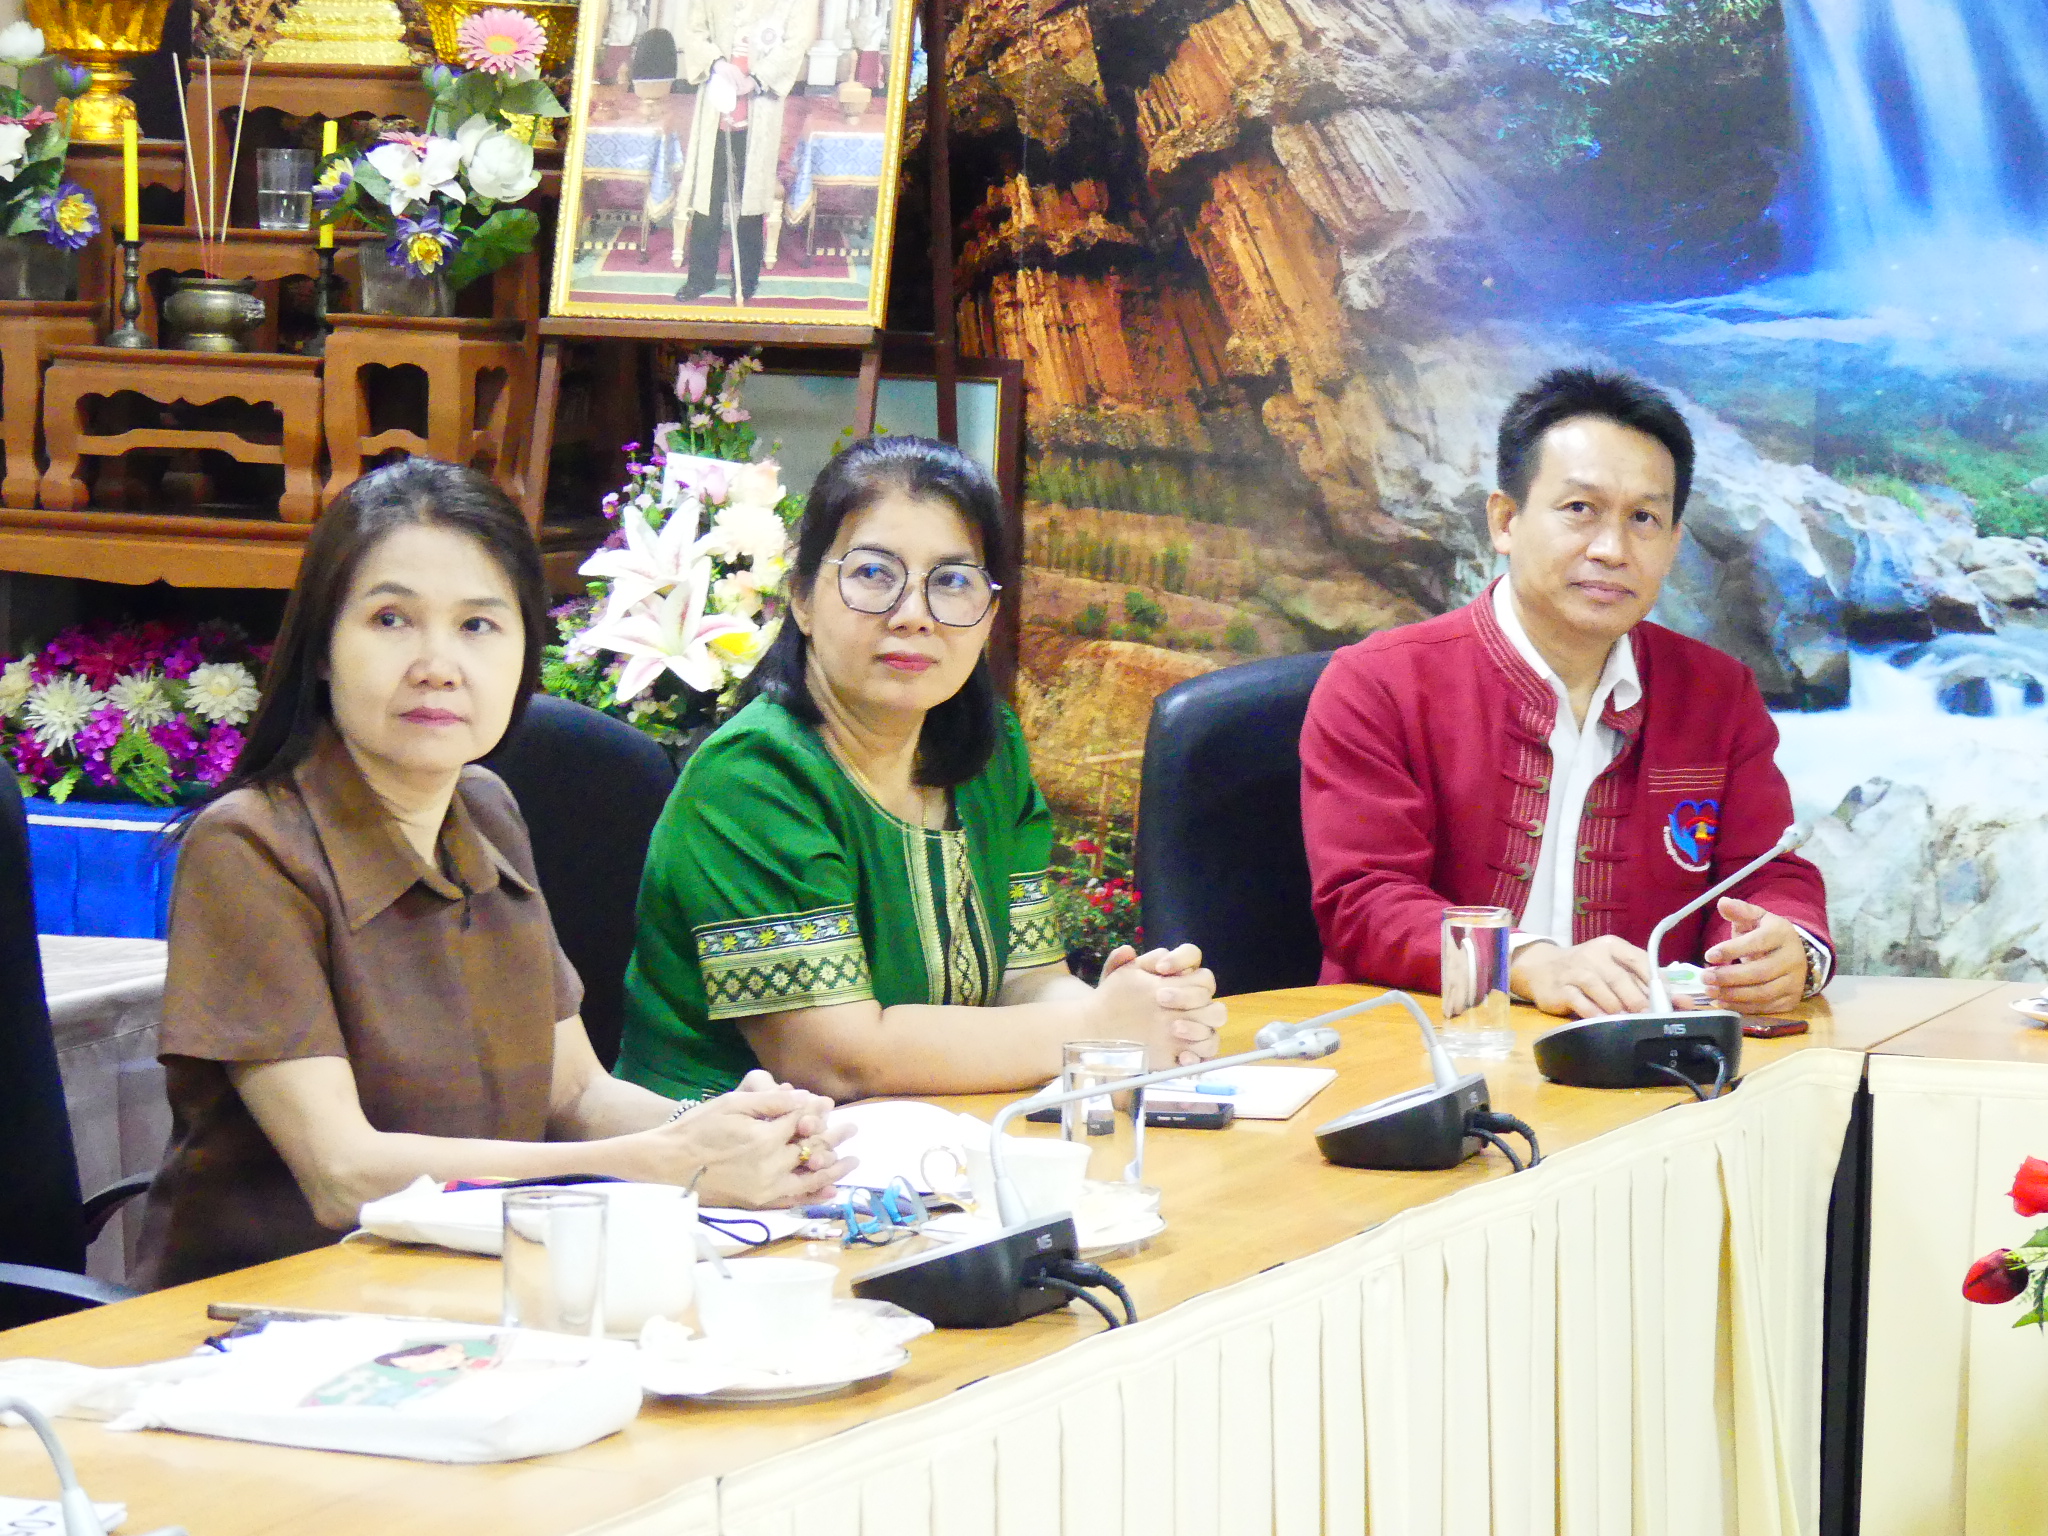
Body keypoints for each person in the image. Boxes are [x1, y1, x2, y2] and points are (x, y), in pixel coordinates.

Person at [134, 459, 853, 1290]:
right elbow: (342, 1174)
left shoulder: (484, 807)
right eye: (391, 619)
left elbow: (576, 1096)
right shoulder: (249, 846)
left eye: (478, 625)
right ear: (322, 649)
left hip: (477, 1290)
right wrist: (661, 1163)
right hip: (267, 1315)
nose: (437, 664)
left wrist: (733, 1131)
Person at [616, 436, 1225, 1103]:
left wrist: (1135, 1010)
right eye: (874, 574)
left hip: (933, 1138)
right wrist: (1095, 1027)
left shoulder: (989, 753)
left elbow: (1028, 979)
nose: (914, 616)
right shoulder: (752, 778)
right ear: (802, 598)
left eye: (953, 582)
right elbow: (836, 1061)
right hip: (733, 1152)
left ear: (990, 613)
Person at [1300, 368, 1832, 1020]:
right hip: (1423, 1049)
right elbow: (1364, 901)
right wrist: (1527, 963)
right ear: (1506, 521)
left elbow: (1767, 872)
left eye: (1644, 518)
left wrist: (1784, 947)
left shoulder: (1719, 695)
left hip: (1639, 1059)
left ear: (1672, 543)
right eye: (1580, 509)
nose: (1611, 549)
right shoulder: (1378, 682)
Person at [669, 0, 818, 302]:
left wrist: (756, 79)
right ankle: (700, 277)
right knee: (707, 197)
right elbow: (695, 31)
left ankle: (745, 278)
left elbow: (795, 42)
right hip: (716, 99)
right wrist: (718, 64)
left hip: (760, 103)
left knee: (751, 198)